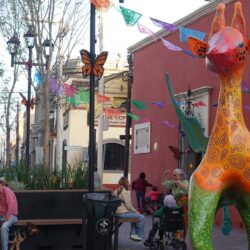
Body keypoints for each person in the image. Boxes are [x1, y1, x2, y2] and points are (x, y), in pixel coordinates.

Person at [113, 176, 145, 241]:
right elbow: (129, 206)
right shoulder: (125, 192)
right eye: (127, 182)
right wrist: (136, 211)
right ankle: (140, 236)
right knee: (141, 217)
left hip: (116, 213)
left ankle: (133, 234)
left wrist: (134, 212)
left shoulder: (115, 191)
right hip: (122, 213)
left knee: (134, 216)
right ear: (126, 184)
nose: (129, 184)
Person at [0, 177, 18, 250]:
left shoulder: (6, 190)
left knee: (4, 227)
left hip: (12, 215)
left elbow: (11, 203)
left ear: (1, 184)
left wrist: (7, 216)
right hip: (2, 215)